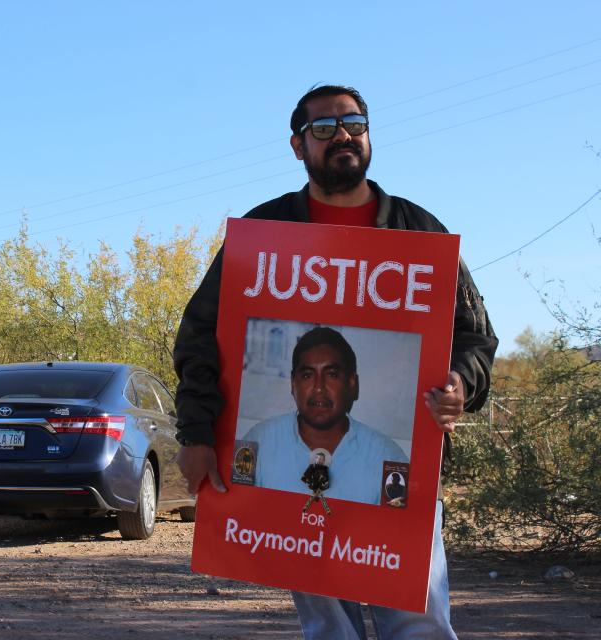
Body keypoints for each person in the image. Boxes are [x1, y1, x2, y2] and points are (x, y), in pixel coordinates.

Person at [173, 84, 498, 640]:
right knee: (328, 630)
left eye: (354, 122)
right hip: (292, 495)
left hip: (403, 488)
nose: (342, 135)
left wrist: (460, 385)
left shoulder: (419, 232)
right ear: (299, 146)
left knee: (420, 622)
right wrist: (197, 430)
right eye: (324, 128)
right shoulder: (267, 233)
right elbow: (202, 335)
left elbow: (476, 339)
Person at [244, 327, 408, 505]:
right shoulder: (256, 442)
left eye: (331, 375)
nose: (319, 388)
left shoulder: (390, 459)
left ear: (352, 383)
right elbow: (232, 516)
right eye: (307, 375)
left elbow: (399, 530)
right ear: (293, 383)